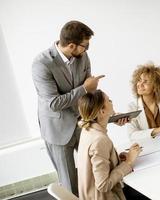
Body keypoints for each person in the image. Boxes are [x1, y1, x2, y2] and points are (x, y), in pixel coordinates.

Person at [32, 21, 105, 195]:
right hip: (57, 129)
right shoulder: (41, 64)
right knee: (69, 184)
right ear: (71, 45)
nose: (87, 50)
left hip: (82, 123)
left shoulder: (83, 57)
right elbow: (54, 103)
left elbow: (88, 94)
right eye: (84, 46)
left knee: (99, 168)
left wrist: (105, 111)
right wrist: (85, 88)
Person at [77, 90, 143, 200]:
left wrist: (116, 159)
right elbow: (103, 185)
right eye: (109, 100)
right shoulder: (99, 140)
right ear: (102, 111)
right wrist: (129, 162)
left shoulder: (87, 129)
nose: (112, 102)